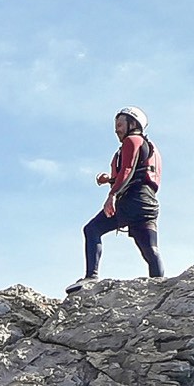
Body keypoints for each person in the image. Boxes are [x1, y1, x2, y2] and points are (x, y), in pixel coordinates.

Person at [66, 106, 163, 294]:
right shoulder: (150, 147)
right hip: (148, 203)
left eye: (120, 124)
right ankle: (160, 287)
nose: (116, 129)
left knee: (92, 229)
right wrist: (109, 180)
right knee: (150, 250)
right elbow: (139, 172)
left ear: (133, 124)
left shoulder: (132, 140)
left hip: (132, 200)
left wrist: (112, 195)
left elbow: (127, 170)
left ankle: (91, 277)